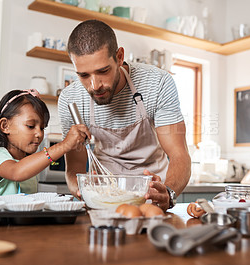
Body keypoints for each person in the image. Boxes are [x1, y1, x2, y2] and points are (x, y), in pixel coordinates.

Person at [58, 20, 191, 211]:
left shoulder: (158, 83)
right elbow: (75, 167)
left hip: (151, 196)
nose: (94, 85)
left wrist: (167, 192)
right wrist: (82, 191)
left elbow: (179, 154)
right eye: (84, 75)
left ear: (119, 57)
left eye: (103, 71)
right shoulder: (70, 99)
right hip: (104, 197)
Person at [0, 89, 90, 196]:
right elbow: (16, 172)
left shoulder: (29, 162)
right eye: (30, 126)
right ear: (5, 126)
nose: (39, 134)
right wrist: (64, 145)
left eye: (42, 128)